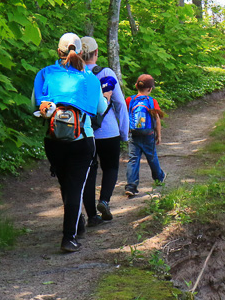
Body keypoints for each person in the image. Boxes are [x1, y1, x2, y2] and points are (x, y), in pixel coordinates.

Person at [32, 33, 109, 253]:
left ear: (59, 52)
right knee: (76, 187)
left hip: (53, 140)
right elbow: (101, 110)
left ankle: (77, 223)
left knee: (66, 185)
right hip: (81, 140)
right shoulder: (89, 78)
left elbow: (34, 107)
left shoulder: (44, 74)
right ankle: (69, 238)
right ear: (82, 53)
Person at [79, 36, 128, 222]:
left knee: (89, 171)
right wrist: (124, 133)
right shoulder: (106, 73)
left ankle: (92, 215)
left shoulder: (76, 74)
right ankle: (105, 201)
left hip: (84, 133)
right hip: (108, 132)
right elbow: (120, 105)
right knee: (111, 167)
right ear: (96, 53)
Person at [123, 74, 165, 198]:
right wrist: (159, 135)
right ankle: (159, 177)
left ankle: (131, 186)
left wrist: (125, 132)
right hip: (148, 134)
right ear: (150, 89)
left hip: (134, 134)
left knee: (133, 159)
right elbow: (157, 119)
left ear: (136, 86)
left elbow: (125, 117)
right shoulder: (152, 101)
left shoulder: (129, 100)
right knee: (152, 157)